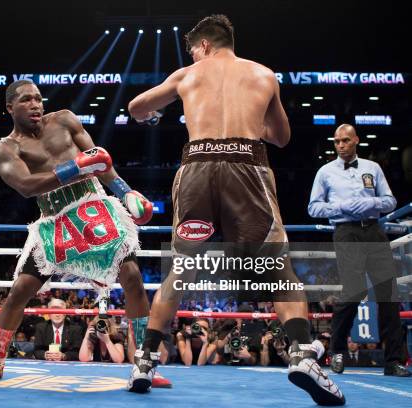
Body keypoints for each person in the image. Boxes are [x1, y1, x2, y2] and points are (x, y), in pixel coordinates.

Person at [126, 14, 345, 405]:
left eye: (194, 51)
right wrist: (249, 121)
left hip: (196, 168)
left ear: (205, 46)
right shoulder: (264, 74)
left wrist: (153, 114)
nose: (194, 58)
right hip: (248, 166)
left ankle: (144, 361)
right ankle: (302, 354)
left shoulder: (185, 75)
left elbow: (137, 106)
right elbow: (281, 137)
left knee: (183, 268)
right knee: (277, 268)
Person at [0, 80, 169, 388]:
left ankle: (144, 364)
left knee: (132, 276)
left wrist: (127, 192)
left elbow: (100, 162)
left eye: (38, 98)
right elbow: (25, 186)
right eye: (26, 100)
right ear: (10, 107)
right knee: (20, 291)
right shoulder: (7, 147)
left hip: (95, 208)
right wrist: (73, 168)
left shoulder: (64, 119)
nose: (36, 104)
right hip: (55, 220)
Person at [308, 123, 410, 377]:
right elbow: (314, 208)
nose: (340, 145)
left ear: (356, 141)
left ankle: (395, 361)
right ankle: (338, 352)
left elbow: (390, 201)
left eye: (345, 140)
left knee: (388, 294)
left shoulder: (372, 168)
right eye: (337, 141)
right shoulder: (325, 172)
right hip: (346, 232)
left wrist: (367, 203)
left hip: (374, 231)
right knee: (353, 292)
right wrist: (343, 207)